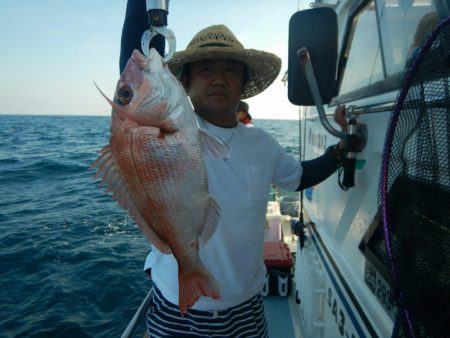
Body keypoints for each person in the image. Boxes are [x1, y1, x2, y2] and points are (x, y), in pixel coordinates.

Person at [121, 1, 348, 337]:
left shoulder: (264, 145)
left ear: (243, 83)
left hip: (246, 307)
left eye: (230, 70)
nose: (218, 79)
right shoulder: (163, 126)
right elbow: (136, 66)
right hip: (176, 306)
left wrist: (338, 152)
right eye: (206, 69)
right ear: (184, 81)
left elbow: (299, 177)